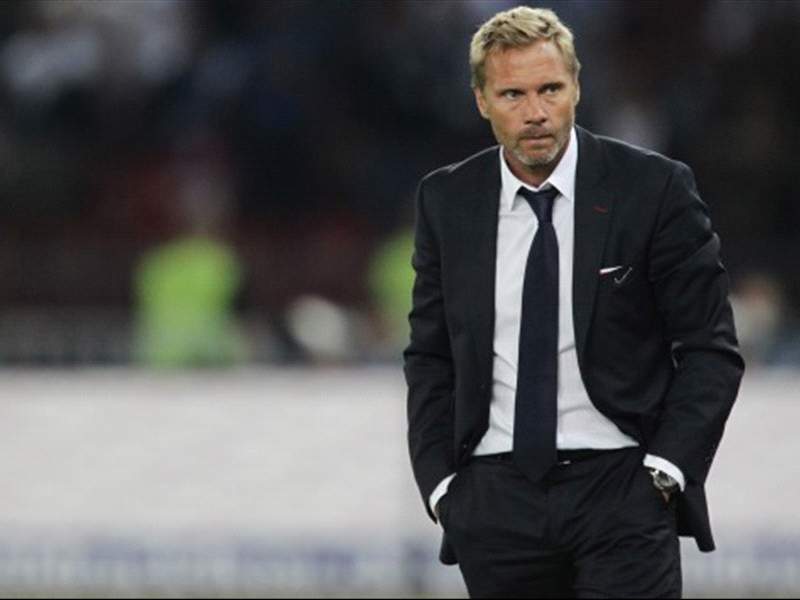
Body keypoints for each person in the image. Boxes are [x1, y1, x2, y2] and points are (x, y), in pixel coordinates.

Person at [404, 6, 744, 598]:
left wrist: (665, 471)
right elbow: (431, 356)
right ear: (481, 101)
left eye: (550, 89)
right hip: (494, 501)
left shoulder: (653, 188)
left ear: (577, 88)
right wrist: (442, 489)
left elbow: (709, 349)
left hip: (623, 491)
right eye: (512, 94)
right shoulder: (447, 199)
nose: (535, 112)